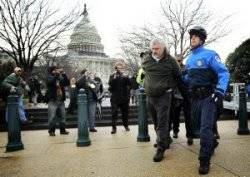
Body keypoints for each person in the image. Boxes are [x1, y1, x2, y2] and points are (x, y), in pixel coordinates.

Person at [185, 26, 230, 175]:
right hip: (195, 98)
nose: (193, 38)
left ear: (202, 40)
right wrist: (179, 76)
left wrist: (220, 90)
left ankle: (204, 161)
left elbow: (223, 72)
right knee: (197, 126)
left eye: (196, 36)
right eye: (191, 37)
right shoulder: (189, 58)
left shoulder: (210, 54)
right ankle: (213, 143)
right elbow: (188, 78)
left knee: (205, 128)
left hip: (209, 97)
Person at [142, 38, 186, 162]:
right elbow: (145, 71)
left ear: (163, 48)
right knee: (156, 121)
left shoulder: (171, 61)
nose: (154, 51)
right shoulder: (146, 59)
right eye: (153, 49)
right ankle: (165, 138)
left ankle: (161, 148)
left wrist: (173, 89)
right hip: (150, 96)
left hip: (164, 96)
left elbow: (178, 75)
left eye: (157, 49)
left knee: (162, 121)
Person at [169, 57, 194, 145]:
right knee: (175, 116)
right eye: (177, 60)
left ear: (182, 60)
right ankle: (175, 131)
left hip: (186, 95)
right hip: (176, 96)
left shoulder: (187, 68)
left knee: (188, 116)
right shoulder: (172, 69)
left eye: (179, 60)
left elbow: (190, 79)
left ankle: (190, 136)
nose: (178, 62)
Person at [46, 66, 70, 136]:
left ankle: (62, 130)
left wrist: (64, 73)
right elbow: (51, 82)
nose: (57, 71)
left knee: (62, 116)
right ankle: (51, 131)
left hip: (61, 100)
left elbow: (67, 83)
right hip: (53, 100)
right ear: (52, 71)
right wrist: (56, 75)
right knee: (52, 116)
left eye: (57, 70)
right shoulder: (49, 77)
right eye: (55, 70)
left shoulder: (60, 77)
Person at [108, 61, 131, 134]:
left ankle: (126, 125)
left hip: (124, 98)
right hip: (115, 98)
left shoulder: (125, 75)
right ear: (116, 68)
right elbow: (110, 84)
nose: (120, 68)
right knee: (114, 113)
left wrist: (126, 77)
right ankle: (114, 128)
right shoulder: (112, 75)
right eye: (119, 67)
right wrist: (114, 78)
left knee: (125, 113)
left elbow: (130, 84)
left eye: (121, 67)